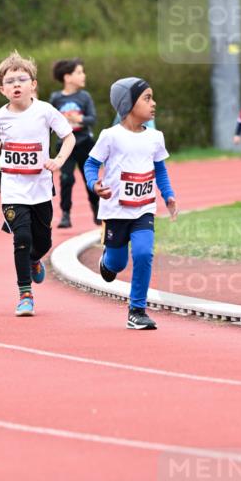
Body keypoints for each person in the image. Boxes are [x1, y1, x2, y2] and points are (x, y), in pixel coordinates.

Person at [83, 76, 178, 330]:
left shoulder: (156, 137)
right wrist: (95, 184)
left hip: (144, 208)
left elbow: (160, 169)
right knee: (117, 263)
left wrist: (167, 194)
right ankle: (107, 260)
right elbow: (91, 164)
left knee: (144, 253)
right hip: (116, 210)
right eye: (147, 98)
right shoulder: (110, 136)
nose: (153, 103)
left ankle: (137, 310)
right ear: (128, 104)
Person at [0, 50, 74, 316]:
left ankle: (35, 260)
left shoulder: (45, 111)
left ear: (33, 84)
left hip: (40, 188)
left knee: (43, 243)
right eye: (10, 81)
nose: (16, 85)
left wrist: (58, 160)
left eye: (21, 79)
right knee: (21, 237)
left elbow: (68, 137)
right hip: (12, 188)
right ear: (2, 89)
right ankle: (25, 293)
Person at [49, 59, 98, 228]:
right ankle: (65, 214)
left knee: (89, 179)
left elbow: (93, 119)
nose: (83, 75)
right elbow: (50, 120)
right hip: (65, 146)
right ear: (67, 77)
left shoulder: (84, 97)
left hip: (84, 143)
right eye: (79, 72)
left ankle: (97, 209)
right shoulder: (56, 98)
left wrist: (79, 119)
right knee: (66, 178)